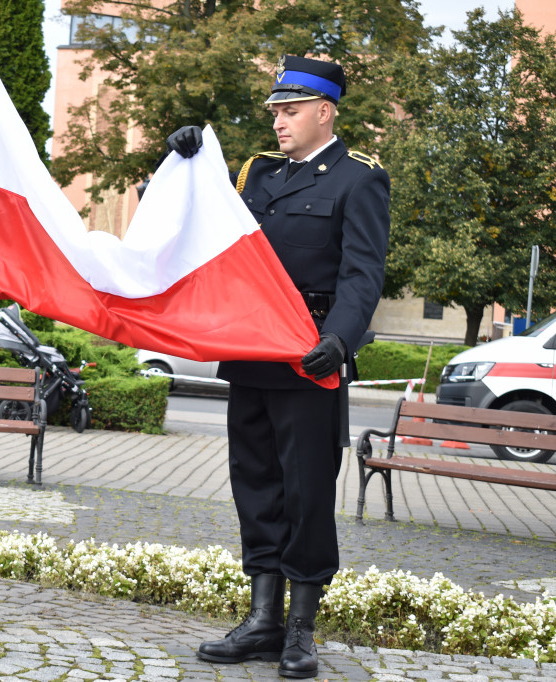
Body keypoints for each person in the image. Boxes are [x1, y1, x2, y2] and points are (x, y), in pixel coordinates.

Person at [166, 55, 390, 679]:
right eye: (275, 111)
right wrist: (182, 162)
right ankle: (262, 620)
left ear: (325, 111)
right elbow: (201, 225)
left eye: (290, 111)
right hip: (252, 355)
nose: (279, 121)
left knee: (307, 492)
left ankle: (300, 630)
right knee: (256, 487)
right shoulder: (257, 176)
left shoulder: (357, 179)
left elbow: (362, 272)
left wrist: (340, 340)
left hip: (311, 355)